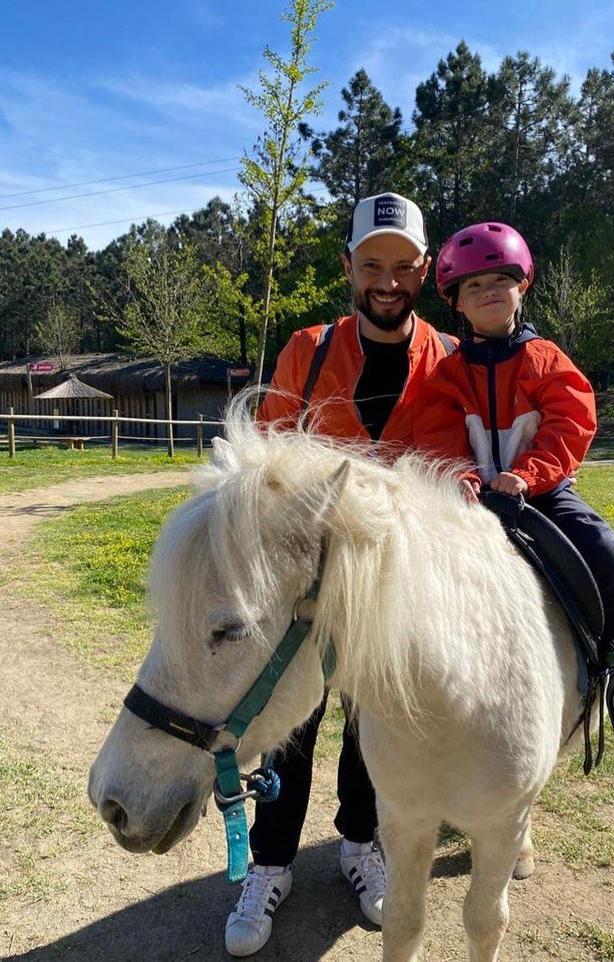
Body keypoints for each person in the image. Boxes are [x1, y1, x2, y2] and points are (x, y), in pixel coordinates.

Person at [225, 192, 456, 957]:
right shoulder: (307, 350)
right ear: (348, 268)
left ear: (423, 269)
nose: (386, 281)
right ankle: (269, 863)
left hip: (394, 585)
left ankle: (359, 844)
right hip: (306, 581)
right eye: (370, 266)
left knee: (371, 721)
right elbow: (266, 462)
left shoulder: (451, 360)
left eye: (401, 266)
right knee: (292, 719)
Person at [412, 221, 614, 736]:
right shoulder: (447, 375)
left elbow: (570, 424)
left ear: (522, 287)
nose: (487, 292)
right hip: (470, 501)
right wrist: (462, 474)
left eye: (499, 281)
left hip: (542, 496)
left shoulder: (547, 359)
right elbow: (436, 435)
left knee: (601, 543)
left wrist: (527, 476)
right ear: (456, 303)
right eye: (473, 286)